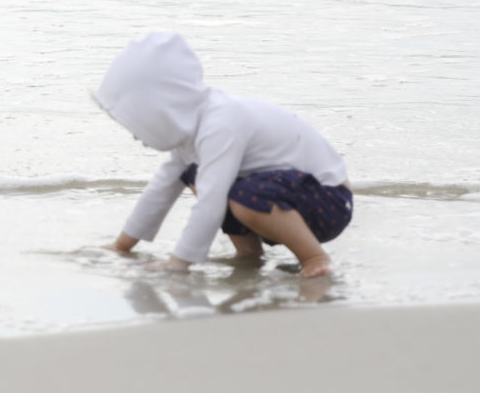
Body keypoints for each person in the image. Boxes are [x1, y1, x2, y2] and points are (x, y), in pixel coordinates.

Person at [95, 31, 351, 277]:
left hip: (328, 202)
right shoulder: (191, 133)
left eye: (137, 122)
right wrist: (121, 247)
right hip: (292, 197)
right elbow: (160, 189)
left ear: (161, 107)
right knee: (195, 174)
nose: (135, 134)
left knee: (241, 194)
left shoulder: (221, 124)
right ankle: (249, 255)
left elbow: (211, 201)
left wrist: (179, 262)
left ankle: (314, 258)